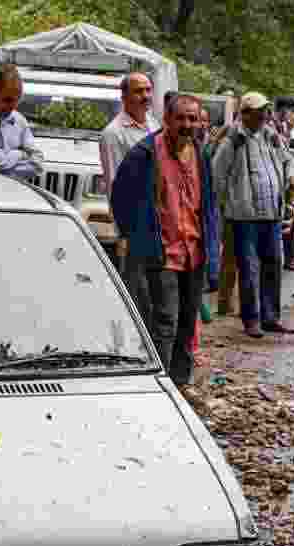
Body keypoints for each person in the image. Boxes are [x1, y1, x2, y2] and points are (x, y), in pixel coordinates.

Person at [111, 94, 222, 387]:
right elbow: (121, 200)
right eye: (181, 118)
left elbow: (208, 203)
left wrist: (212, 248)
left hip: (194, 252)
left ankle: (181, 382)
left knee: (187, 324)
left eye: (192, 119)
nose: (187, 124)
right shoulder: (144, 154)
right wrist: (138, 239)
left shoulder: (200, 154)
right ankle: (159, 386)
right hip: (162, 254)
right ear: (167, 120)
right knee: (165, 322)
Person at [212, 92, 294, 338]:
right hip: (243, 216)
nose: (264, 115)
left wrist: (292, 177)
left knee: (273, 264)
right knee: (249, 268)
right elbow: (217, 175)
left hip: (271, 212)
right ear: (246, 113)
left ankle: (270, 317)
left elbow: (288, 160)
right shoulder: (233, 140)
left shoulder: (270, 135)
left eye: (265, 110)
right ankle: (251, 319)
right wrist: (225, 207)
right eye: (259, 111)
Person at [100, 73, 154, 193]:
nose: (146, 95)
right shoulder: (113, 133)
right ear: (124, 97)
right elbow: (113, 182)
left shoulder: (154, 123)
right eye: (138, 91)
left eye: (148, 90)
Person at [275, 97, 294, 273]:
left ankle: (291, 257)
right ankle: (290, 257)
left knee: (291, 215)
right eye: (292, 111)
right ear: (283, 110)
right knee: (287, 216)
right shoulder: (272, 126)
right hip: (278, 181)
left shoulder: (283, 126)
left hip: (286, 180)